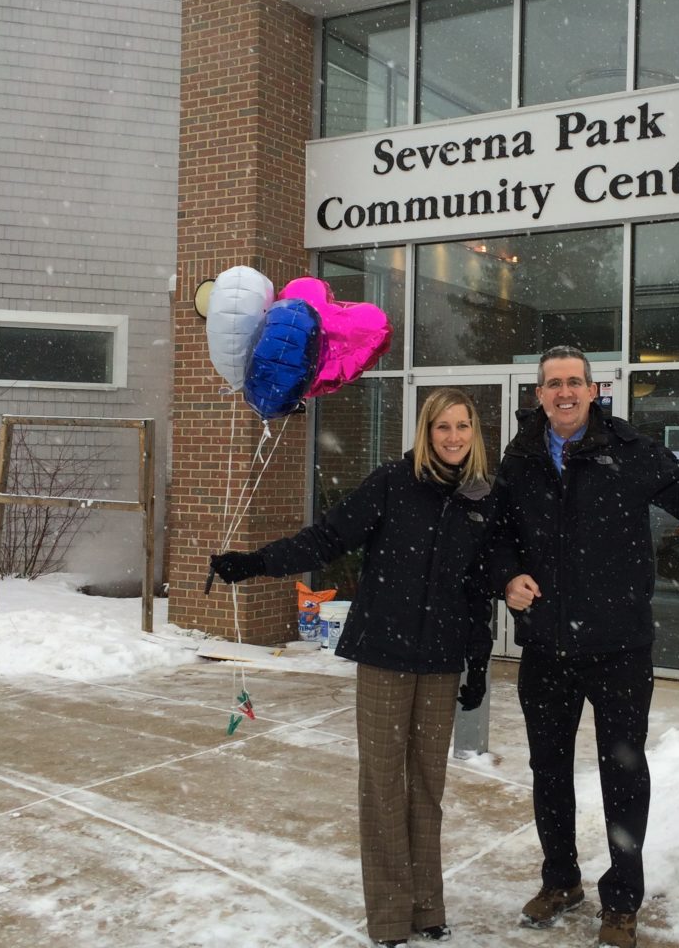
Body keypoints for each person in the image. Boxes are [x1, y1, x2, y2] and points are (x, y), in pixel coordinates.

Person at [487, 347, 679, 948]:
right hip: (544, 647)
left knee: (624, 777)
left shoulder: (631, 450)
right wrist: (507, 576)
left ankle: (621, 901)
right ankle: (561, 880)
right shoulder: (519, 460)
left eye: (574, 382)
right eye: (552, 384)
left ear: (594, 390)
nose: (564, 392)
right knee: (548, 771)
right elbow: (497, 537)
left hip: (618, 648)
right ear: (537, 395)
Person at [210, 387, 496, 948]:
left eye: (463, 426)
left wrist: (477, 665)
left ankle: (427, 905)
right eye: (443, 427)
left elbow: (480, 589)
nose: (454, 437)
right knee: (384, 784)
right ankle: (390, 916)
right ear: (426, 432)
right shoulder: (392, 483)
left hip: (441, 660)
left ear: (475, 433)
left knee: (428, 786)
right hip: (385, 656)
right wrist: (256, 562)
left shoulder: (484, 497)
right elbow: (327, 538)